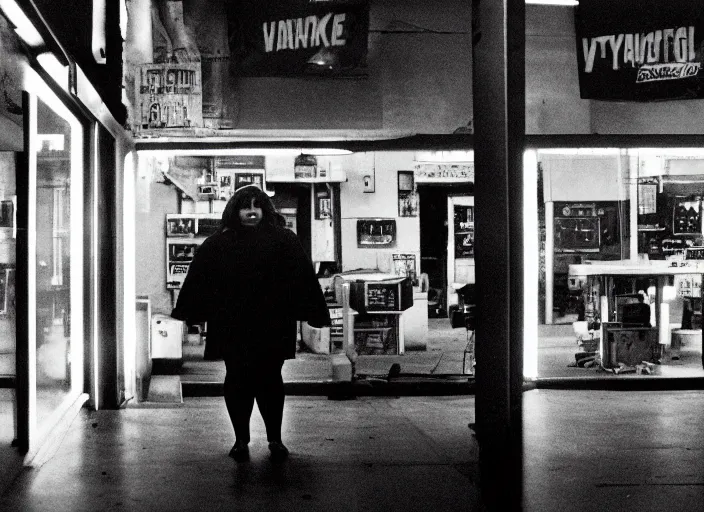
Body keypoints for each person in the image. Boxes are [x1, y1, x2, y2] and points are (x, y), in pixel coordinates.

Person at [171, 185, 331, 462]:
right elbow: (200, 281)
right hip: (247, 324)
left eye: (257, 206)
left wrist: (314, 313)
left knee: (264, 380)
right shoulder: (224, 243)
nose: (252, 212)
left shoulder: (277, 240)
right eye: (246, 206)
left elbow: (303, 278)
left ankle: (270, 439)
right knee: (241, 380)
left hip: (260, 323)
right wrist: (188, 313)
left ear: (265, 210)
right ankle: (244, 439)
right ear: (236, 210)